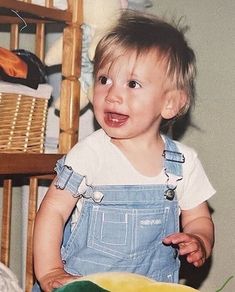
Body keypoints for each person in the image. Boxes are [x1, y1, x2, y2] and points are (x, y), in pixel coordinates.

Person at [33, 11, 215, 292]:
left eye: (132, 84)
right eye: (104, 79)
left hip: (151, 286)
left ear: (171, 104)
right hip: (88, 284)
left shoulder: (183, 163)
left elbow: (199, 218)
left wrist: (199, 240)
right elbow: (53, 211)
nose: (113, 94)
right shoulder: (89, 154)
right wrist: (50, 270)